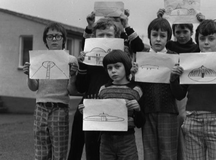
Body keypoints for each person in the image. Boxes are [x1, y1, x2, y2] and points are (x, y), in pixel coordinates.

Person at [68, 13, 144, 160]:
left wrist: (126, 25)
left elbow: (139, 48)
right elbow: (81, 87)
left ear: (116, 38)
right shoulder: (88, 57)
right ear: (94, 37)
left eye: (108, 35)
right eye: (100, 35)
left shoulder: (119, 59)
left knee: (107, 153)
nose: (104, 38)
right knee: (84, 152)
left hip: (112, 109)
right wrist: (82, 66)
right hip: (90, 106)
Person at [170, 19, 216, 160]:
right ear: (197, 40)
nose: (206, 42)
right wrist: (173, 79)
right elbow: (179, 94)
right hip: (192, 121)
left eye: (211, 38)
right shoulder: (189, 62)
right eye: (202, 38)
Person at [23, 22, 78, 160]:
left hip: (59, 107)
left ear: (63, 39)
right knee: (41, 151)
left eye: (57, 36)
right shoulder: (38, 59)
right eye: (50, 36)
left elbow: (71, 90)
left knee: (59, 152)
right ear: (45, 40)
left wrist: (73, 76)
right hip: (41, 107)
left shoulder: (71, 60)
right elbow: (34, 87)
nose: (54, 39)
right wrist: (29, 75)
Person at [157, 8, 205, 160]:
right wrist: (160, 19)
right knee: (172, 130)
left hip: (187, 93)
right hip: (169, 89)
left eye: (185, 31)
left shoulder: (197, 47)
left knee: (185, 126)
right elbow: (157, 44)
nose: (182, 35)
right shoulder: (170, 46)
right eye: (178, 32)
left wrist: (203, 23)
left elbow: (208, 42)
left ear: (192, 32)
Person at [81, 50, 144, 160]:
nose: (113, 71)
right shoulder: (103, 90)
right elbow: (98, 116)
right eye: (109, 68)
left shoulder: (135, 90)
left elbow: (140, 122)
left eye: (117, 66)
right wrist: (86, 111)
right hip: (105, 140)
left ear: (127, 67)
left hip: (127, 139)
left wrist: (138, 110)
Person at [133, 17, 180, 160]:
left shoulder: (174, 58)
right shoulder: (141, 58)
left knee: (168, 154)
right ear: (149, 37)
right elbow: (137, 87)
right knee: (150, 154)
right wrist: (133, 74)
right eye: (154, 35)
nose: (158, 39)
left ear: (168, 38)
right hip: (148, 111)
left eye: (162, 36)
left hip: (169, 111)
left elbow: (179, 93)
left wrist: (174, 77)